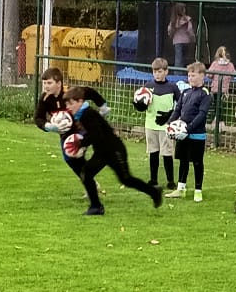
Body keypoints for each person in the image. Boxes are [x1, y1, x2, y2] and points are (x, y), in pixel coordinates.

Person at [66, 87, 163, 212]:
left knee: (126, 179)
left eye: (71, 103)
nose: (68, 107)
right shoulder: (81, 115)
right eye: (67, 104)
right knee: (86, 173)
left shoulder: (88, 114)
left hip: (114, 150)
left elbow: (96, 135)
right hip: (102, 151)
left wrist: (80, 143)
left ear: (80, 101)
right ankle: (96, 206)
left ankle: (154, 192)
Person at [35, 68, 104, 214]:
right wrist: (48, 126)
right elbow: (38, 118)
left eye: (49, 83)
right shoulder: (45, 99)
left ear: (59, 83)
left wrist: (102, 105)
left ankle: (90, 184)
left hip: (81, 128)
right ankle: (90, 182)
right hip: (65, 133)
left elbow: (90, 92)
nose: (46, 86)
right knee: (70, 158)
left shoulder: (71, 92)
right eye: (44, 83)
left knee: (76, 153)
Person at [169, 61, 211, 199]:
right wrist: (170, 124)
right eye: (189, 75)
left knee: (197, 162)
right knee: (183, 160)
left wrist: (189, 128)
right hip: (182, 133)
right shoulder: (186, 92)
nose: (190, 78)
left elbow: (202, 114)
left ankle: (198, 190)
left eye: (193, 75)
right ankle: (181, 189)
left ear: (202, 76)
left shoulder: (205, 94)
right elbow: (178, 110)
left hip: (196, 134)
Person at [141, 57, 182, 190]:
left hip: (166, 126)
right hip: (150, 124)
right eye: (155, 72)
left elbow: (181, 104)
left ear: (166, 72)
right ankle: (153, 179)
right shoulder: (148, 86)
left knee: (167, 153)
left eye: (160, 72)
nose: (157, 74)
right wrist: (139, 105)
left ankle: (170, 181)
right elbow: (142, 103)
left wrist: (170, 115)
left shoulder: (172, 87)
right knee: (153, 152)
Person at [207, 45, 236, 136]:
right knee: (221, 106)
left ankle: (218, 124)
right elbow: (233, 75)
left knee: (217, 106)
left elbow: (209, 75)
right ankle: (220, 124)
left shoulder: (215, 64)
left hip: (215, 88)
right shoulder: (230, 65)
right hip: (224, 89)